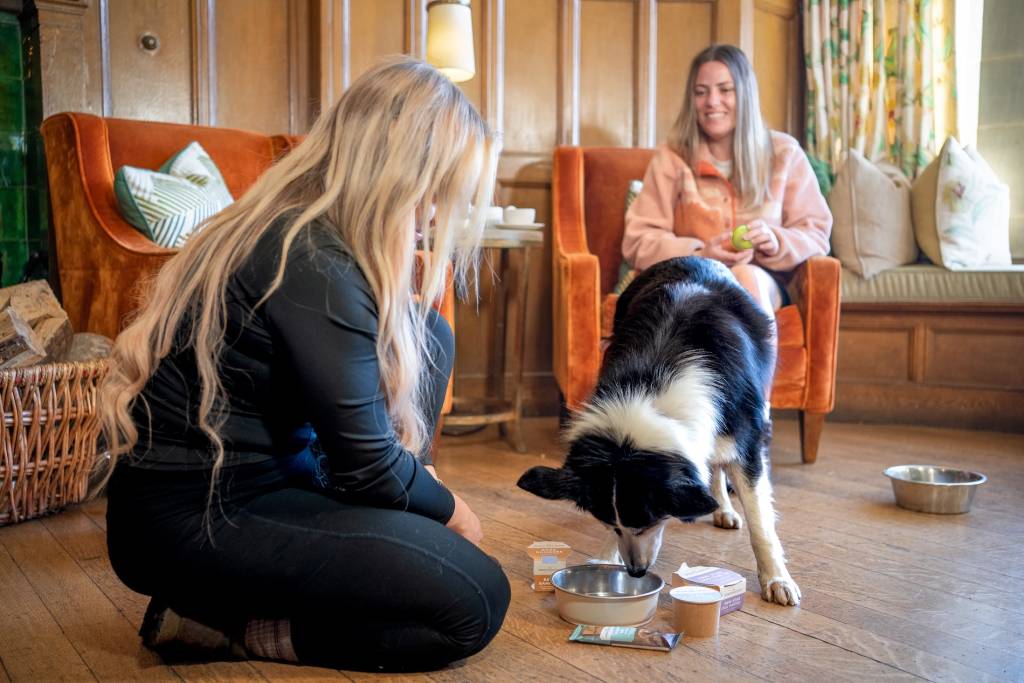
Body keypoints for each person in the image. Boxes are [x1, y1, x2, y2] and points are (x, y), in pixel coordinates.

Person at [96, 57, 510, 673]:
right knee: (476, 598)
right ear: (400, 172)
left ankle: (376, 542)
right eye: (440, 189)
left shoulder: (309, 233)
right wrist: (455, 513)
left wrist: (414, 498)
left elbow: (362, 442)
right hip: (195, 514)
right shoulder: (311, 256)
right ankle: (228, 626)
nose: (434, 214)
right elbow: (368, 464)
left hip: (275, 477)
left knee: (428, 332)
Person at [623, 43, 831, 321]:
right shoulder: (672, 157)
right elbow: (639, 240)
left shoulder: (785, 153)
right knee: (696, 294)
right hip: (693, 279)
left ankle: (756, 366)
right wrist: (700, 252)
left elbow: (816, 232)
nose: (712, 101)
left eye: (725, 89)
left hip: (764, 281)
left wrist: (776, 241)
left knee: (744, 277)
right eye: (701, 92)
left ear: (744, 94)